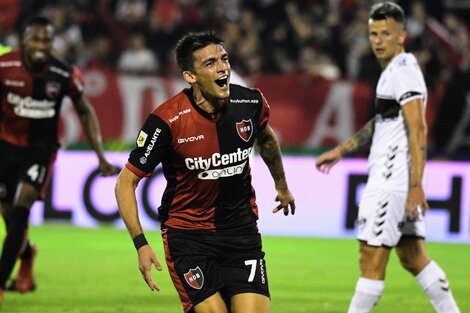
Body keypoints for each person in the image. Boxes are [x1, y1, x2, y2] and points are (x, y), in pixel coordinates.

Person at [115, 31, 295, 313]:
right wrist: (140, 244)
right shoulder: (166, 121)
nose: (223, 67)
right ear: (190, 76)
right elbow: (126, 182)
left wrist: (281, 186)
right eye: (210, 63)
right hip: (188, 238)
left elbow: (267, 139)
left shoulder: (250, 103)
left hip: (241, 232)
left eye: (224, 59)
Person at [315, 3, 460, 313]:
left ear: (402, 36)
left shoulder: (404, 70)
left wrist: (417, 185)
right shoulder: (391, 73)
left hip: (392, 181)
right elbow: (381, 121)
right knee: (413, 257)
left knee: (370, 259)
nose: (378, 40)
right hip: (397, 182)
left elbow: (418, 128)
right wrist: (342, 150)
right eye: (373, 34)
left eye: (386, 33)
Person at [0, 16, 117, 303]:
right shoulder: (4, 67)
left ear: (53, 42)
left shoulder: (63, 73)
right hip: (4, 148)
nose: (41, 46)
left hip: (40, 150)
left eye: (47, 40)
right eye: (36, 39)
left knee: (22, 208)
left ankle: (0, 285)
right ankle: (27, 256)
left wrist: (100, 156)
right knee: (10, 216)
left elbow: (85, 111)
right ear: (24, 40)